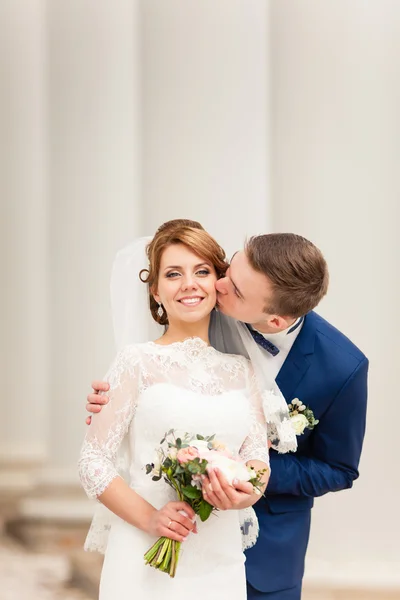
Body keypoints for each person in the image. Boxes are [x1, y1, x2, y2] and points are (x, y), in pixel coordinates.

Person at [87, 219, 368, 600]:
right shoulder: (154, 342)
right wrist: (112, 411)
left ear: (274, 320)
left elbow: (331, 467)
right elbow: (97, 457)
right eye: (226, 270)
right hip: (150, 545)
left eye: (225, 284)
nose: (214, 284)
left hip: (253, 555)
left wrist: (237, 481)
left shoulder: (337, 367)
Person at [78, 221, 276, 600]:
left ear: (217, 284)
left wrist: (244, 494)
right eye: (173, 274)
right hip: (142, 554)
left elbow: (256, 461)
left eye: (202, 271)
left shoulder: (243, 371)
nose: (189, 283)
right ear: (155, 290)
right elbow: (92, 460)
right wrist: (151, 518)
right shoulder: (135, 361)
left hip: (219, 559)